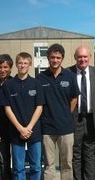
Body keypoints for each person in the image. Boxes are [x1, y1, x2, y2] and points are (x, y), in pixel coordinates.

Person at [36, 43, 79, 180]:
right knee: (49, 164)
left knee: (67, 164)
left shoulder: (70, 76)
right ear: (48, 58)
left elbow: (74, 99)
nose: (55, 60)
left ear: (62, 59)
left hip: (66, 128)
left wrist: (65, 113)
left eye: (58, 58)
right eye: (52, 57)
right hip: (47, 128)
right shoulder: (40, 78)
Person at [0, 52, 44, 180]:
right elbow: (7, 109)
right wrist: (20, 128)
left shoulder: (36, 83)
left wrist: (28, 128)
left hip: (33, 131)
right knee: (18, 168)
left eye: (25, 63)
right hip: (15, 131)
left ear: (30, 64)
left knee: (36, 166)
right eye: (20, 63)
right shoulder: (8, 84)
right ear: (16, 65)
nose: (22, 65)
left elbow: (39, 107)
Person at [68, 45, 95, 180]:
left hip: (91, 119)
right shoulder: (67, 73)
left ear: (90, 57)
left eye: (85, 56)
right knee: (75, 153)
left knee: (90, 153)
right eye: (79, 57)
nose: (82, 59)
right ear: (75, 58)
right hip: (74, 118)